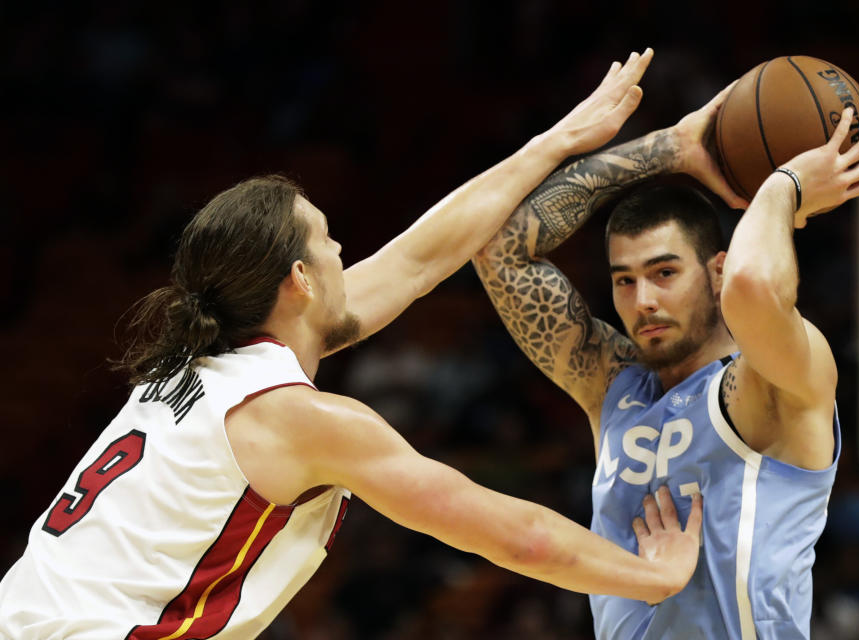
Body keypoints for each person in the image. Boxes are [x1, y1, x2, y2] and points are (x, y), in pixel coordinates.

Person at [0, 50, 706, 640]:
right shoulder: (302, 422)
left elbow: (420, 259)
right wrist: (654, 575)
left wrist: (556, 142)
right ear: (300, 280)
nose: (345, 251)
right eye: (329, 238)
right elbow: (508, 535)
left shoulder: (205, 363)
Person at [472, 80, 859, 640]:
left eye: (665, 273)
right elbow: (498, 245)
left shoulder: (768, 382)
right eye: (624, 280)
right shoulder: (611, 386)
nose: (643, 300)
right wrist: (671, 148)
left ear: (715, 271)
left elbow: (753, 285)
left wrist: (781, 187)